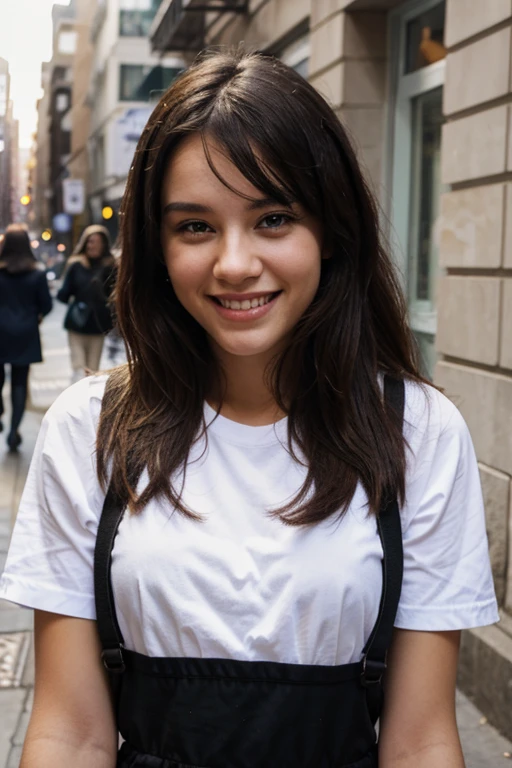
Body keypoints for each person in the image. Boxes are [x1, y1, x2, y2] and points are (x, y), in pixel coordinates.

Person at [0, 50, 499, 767]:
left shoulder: (416, 431)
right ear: (157, 247)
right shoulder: (88, 429)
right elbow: (69, 735)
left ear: (330, 232)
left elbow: (420, 741)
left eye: (272, 218)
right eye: (195, 227)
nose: (234, 264)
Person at [0, 224, 52, 451]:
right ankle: (13, 431)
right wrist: (35, 317)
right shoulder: (37, 274)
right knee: (20, 383)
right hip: (26, 333)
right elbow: (47, 305)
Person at [57, 224, 116, 382]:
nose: (92, 245)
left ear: (104, 244)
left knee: (93, 371)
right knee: (78, 368)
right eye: (90, 241)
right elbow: (63, 295)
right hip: (77, 324)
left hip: (99, 325)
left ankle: (88, 403)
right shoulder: (76, 265)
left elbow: (116, 295)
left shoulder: (110, 266)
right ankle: (76, 403)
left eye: (97, 241)